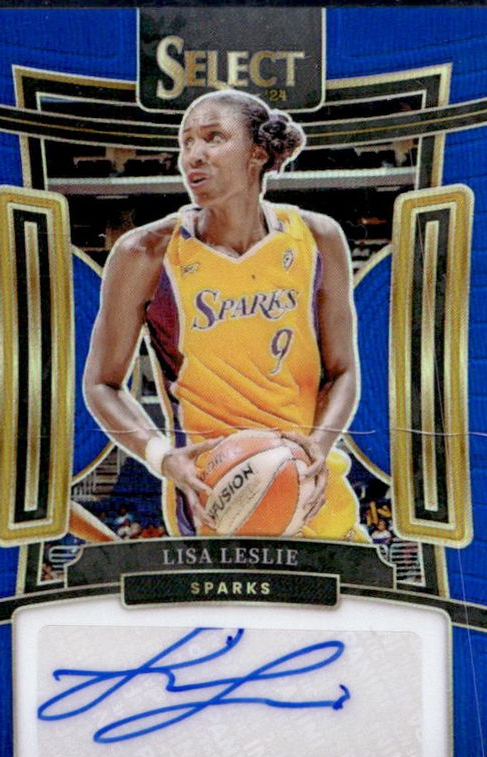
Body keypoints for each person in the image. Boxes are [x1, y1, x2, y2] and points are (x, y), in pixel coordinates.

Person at [84, 89, 367, 541]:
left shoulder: (317, 238)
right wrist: (160, 456)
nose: (193, 155)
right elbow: (101, 383)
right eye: (186, 142)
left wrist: (317, 447)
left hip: (313, 489)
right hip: (212, 500)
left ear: (257, 153)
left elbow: (343, 371)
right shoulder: (145, 253)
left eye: (213, 137)